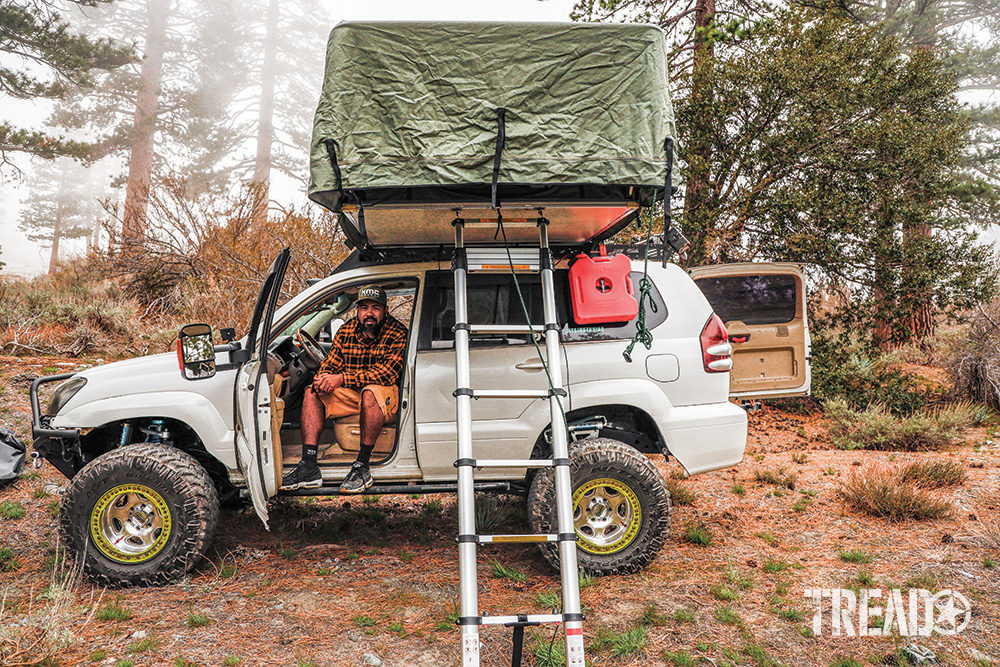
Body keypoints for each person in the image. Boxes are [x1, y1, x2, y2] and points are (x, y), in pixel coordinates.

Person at [280, 285, 408, 493]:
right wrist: (324, 378)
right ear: (357, 310)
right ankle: (309, 466)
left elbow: (386, 374)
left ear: (385, 311)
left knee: (370, 392)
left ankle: (361, 467)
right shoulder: (346, 330)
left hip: (385, 394)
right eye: (364, 307)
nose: (369, 313)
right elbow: (332, 362)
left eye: (375, 308)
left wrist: (342, 378)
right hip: (353, 393)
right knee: (312, 392)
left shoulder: (397, 333)